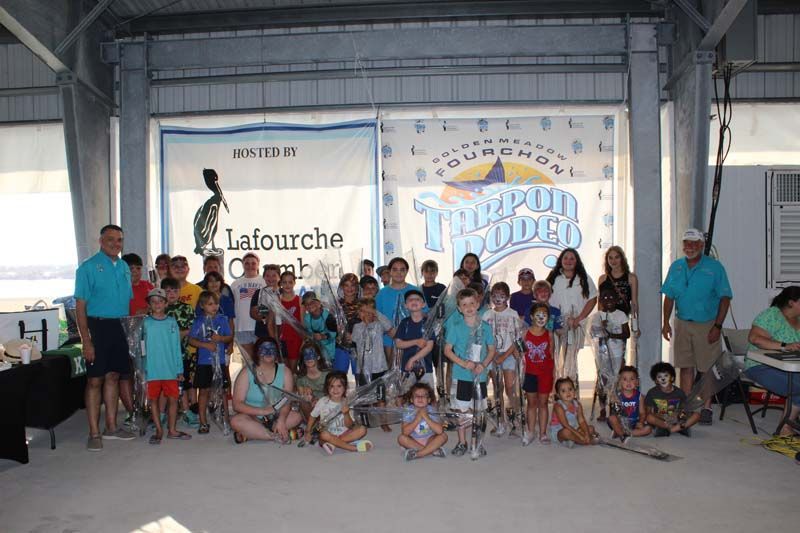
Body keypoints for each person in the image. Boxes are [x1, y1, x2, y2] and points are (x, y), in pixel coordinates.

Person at [661, 228, 732, 425]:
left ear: (701, 246)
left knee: (706, 368)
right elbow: (669, 296)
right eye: (686, 243)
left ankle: (707, 407)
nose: (689, 247)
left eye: (694, 244)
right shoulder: (676, 267)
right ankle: (688, 406)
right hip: (682, 323)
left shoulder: (715, 268)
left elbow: (725, 299)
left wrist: (717, 326)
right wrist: (665, 322)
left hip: (707, 325)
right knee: (685, 366)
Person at [75, 224, 137, 451]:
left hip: (119, 327)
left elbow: (126, 302)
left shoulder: (123, 267)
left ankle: (111, 427)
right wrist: (86, 340)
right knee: (94, 380)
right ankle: (94, 432)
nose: (115, 244)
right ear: (101, 241)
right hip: (97, 327)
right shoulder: (87, 268)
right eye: (111, 239)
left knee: (113, 376)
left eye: (119, 240)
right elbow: (80, 306)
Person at [444, 288, 496, 456]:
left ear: (478, 305)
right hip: (462, 375)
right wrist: (463, 363)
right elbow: (447, 350)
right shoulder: (456, 326)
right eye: (464, 304)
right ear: (459, 308)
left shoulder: (486, 327)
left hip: (479, 376)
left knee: (479, 411)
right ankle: (462, 441)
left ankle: (478, 441)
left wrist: (484, 364)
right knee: (462, 410)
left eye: (472, 303)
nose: (468, 307)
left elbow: (491, 350)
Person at [746, 286, 800, 436]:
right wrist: (785, 346)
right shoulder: (772, 315)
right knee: (797, 386)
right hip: (760, 366)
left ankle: (786, 425)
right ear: (791, 303)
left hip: (790, 367)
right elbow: (754, 338)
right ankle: (785, 428)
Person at [142, 288, 191, 444]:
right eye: (153, 301)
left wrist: (179, 369)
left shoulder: (171, 322)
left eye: (160, 301)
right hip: (152, 371)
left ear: (165, 304)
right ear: (149, 304)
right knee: (154, 401)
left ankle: (172, 429)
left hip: (170, 370)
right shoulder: (145, 323)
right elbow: (140, 348)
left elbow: (176, 347)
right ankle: (159, 430)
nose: (157, 304)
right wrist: (141, 368)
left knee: (173, 399)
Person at [231, 340, 304, 443]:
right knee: (235, 421)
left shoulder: (285, 372)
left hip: (275, 416)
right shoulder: (246, 372)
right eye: (264, 349)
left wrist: (281, 420)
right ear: (257, 353)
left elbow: (287, 401)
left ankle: (252, 434)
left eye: (272, 349)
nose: (268, 353)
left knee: (296, 417)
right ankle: (275, 436)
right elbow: (237, 404)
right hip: (253, 416)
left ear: (277, 353)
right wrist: (263, 411)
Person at [546, 248, 598, 387]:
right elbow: (544, 299)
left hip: (576, 323)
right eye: (565, 258)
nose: (568, 261)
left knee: (571, 358)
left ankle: (571, 390)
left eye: (572, 258)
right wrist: (553, 323)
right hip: (557, 324)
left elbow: (592, 299)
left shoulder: (584, 278)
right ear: (561, 261)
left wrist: (579, 319)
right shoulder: (553, 278)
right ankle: (557, 389)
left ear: (577, 261)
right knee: (556, 357)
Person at [188, 291, 233, 434]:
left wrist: (220, 339)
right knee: (204, 392)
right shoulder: (198, 321)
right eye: (210, 304)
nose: (214, 307)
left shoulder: (222, 319)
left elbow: (229, 337)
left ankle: (226, 419)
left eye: (216, 303)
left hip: (219, 361)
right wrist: (205, 345)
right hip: (204, 362)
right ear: (202, 306)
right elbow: (191, 340)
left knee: (222, 392)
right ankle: (203, 422)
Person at [483, 281, 522, 437]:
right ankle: (501, 421)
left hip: (508, 356)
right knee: (497, 389)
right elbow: (485, 338)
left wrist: (504, 355)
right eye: (495, 295)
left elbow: (517, 339)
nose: (498, 298)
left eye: (501, 295)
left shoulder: (512, 314)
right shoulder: (487, 315)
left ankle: (515, 419)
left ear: (507, 297)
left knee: (510, 388)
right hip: (492, 357)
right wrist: (492, 356)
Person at [352, 297, 395, 431]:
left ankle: (383, 421)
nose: (367, 315)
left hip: (379, 366)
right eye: (363, 312)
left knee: (380, 396)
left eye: (369, 312)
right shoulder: (357, 327)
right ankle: (363, 420)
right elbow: (355, 338)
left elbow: (388, 326)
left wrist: (376, 313)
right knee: (363, 396)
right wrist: (365, 324)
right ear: (359, 313)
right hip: (363, 368)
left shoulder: (378, 325)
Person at [304, 371, 373, 454]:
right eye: (331, 386)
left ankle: (334, 444)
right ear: (327, 388)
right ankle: (352, 448)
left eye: (339, 386)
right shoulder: (322, 401)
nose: (335, 390)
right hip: (327, 434)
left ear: (345, 388)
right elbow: (313, 416)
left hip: (344, 434)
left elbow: (350, 425)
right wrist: (307, 431)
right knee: (323, 435)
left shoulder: (347, 402)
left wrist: (346, 413)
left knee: (362, 429)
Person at [590, 283, 630, 421]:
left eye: (611, 298)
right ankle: (602, 409)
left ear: (616, 300)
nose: (608, 300)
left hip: (617, 352)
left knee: (616, 379)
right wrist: (601, 328)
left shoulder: (621, 315)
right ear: (600, 301)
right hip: (602, 353)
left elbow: (627, 334)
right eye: (604, 298)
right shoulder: (597, 316)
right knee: (603, 380)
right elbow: (593, 334)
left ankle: (614, 407)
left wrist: (612, 335)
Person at [162, 277, 197, 425]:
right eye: (167, 291)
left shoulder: (186, 308)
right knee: (164, 384)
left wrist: (175, 335)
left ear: (179, 292)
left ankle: (186, 411)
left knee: (183, 383)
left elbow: (192, 329)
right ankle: (162, 413)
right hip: (163, 355)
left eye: (174, 290)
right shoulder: (158, 309)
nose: (171, 294)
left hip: (182, 353)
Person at [520, 302, 556, 445]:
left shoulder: (550, 334)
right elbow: (520, 353)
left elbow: (551, 356)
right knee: (531, 403)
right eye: (538, 315)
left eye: (544, 315)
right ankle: (530, 431)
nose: (541, 318)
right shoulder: (525, 333)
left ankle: (543, 433)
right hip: (530, 373)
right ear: (531, 317)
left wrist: (553, 375)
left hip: (545, 374)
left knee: (543, 403)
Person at [376, 257, 422, 365]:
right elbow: (376, 316)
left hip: (413, 339)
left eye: (402, 269)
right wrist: (389, 330)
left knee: (411, 372)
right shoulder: (382, 294)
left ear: (406, 271)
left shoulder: (415, 290)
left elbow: (424, 314)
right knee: (392, 374)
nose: (399, 273)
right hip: (389, 339)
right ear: (390, 272)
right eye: (395, 269)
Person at [645, 362, 700, 436]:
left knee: (697, 415)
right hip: (661, 420)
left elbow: (684, 409)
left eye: (666, 376)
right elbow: (648, 413)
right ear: (656, 380)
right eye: (659, 377)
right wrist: (659, 416)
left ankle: (671, 430)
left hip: (676, 418)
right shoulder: (652, 393)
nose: (663, 379)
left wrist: (678, 416)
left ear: (672, 378)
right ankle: (677, 428)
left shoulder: (679, 392)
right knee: (649, 418)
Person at [394, 290, 435, 388]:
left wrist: (412, 359)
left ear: (423, 304)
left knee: (427, 396)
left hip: (426, 369)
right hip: (407, 368)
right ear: (406, 305)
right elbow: (398, 344)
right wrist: (416, 341)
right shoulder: (404, 323)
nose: (414, 301)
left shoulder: (428, 323)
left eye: (417, 299)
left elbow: (429, 347)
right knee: (407, 396)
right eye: (410, 300)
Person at [398, 382, 448, 460]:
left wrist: (426, 416)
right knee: (401, 438)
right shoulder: (408, 411)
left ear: (429, 400)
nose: (420, 398)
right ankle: (432, 450)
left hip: (430, 439)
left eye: (424, 396)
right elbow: (405, 432)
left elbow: (440, 431)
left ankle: (419, 454)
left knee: (444, 436)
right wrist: (418, 418)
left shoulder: (432, 410)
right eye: (417, 396)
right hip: (413, 440)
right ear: (411, 399)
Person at [231, 252, 265, 360]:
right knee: (249, 362)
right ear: (242, 265)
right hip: (242, 327)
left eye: (253, 263)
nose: (250, 266)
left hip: (259, 327)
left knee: (261, 359)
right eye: (247, 263)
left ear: (258, 265)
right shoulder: (235, 284)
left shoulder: (264, 282)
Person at [549, 377, 599, 447]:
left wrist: (587, 433)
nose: (568, 392)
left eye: (570, 389)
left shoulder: (577, 404)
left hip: (574, 427)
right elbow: (565, 425)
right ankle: (582, 441)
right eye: (563, 391)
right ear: (558, 395)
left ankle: (574, 439)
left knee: (590, 428)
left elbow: (581, 421)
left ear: (574, 391)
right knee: (566, 432)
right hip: (560, 431)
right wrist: (580, 436)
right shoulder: (558, 406)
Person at [607, 365, 651, 441]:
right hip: (620, 423)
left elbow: (642, 412)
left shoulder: (639, 396)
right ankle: (621, 432)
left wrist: (640, 422)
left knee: (648, 429)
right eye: (624, 379)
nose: (628, 382)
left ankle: (621, 433)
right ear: (620, 382)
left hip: (634, 423)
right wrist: (613, 400)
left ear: (637, 382)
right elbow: (613, 412)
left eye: (632, 379)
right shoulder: (617, 395)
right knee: (612, 418)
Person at [597, 245, 638, 317]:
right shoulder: (602, 279)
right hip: (607, 320)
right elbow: (600, 303)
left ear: (622, 258)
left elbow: (634, 303)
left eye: (617, 257)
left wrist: (635, 324)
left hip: (623, 320)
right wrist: (601, 321)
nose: (613, 261)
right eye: (610, 258)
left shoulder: (631, 278)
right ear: (607, 260)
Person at [296, 342, 330, 421]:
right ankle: (312, 428)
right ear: (303, 359)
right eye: (306, 355)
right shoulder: (301, 379)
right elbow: (302, 396)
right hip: (311, 409)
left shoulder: (328, 375)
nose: (309, 358)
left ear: (318, 357)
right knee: (303, 400)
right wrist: (309, 398)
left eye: (312, 354)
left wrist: (320, 401)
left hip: (327, 407)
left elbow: (335, 395)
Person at [302, 291, 338, 365]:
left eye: (312, 303)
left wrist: (323, 336)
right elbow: (309, 333)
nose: (309, 305)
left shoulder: (328, 315)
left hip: (331, 349)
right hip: (318, 349)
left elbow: (335, 333)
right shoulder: (307, 318)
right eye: (306, 304)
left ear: (319, 303)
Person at [278, 270, 303, 372]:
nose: (287, 285)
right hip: (282, 339)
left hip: (295, 339)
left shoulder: (300, 300)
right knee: (284, 371)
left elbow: (302, 323)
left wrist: (304, 340)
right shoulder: (277, 300)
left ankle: (294, 388)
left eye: (290, 282)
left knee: (293, 370)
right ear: (281, 284)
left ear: (294, 283)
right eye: (284, 282)